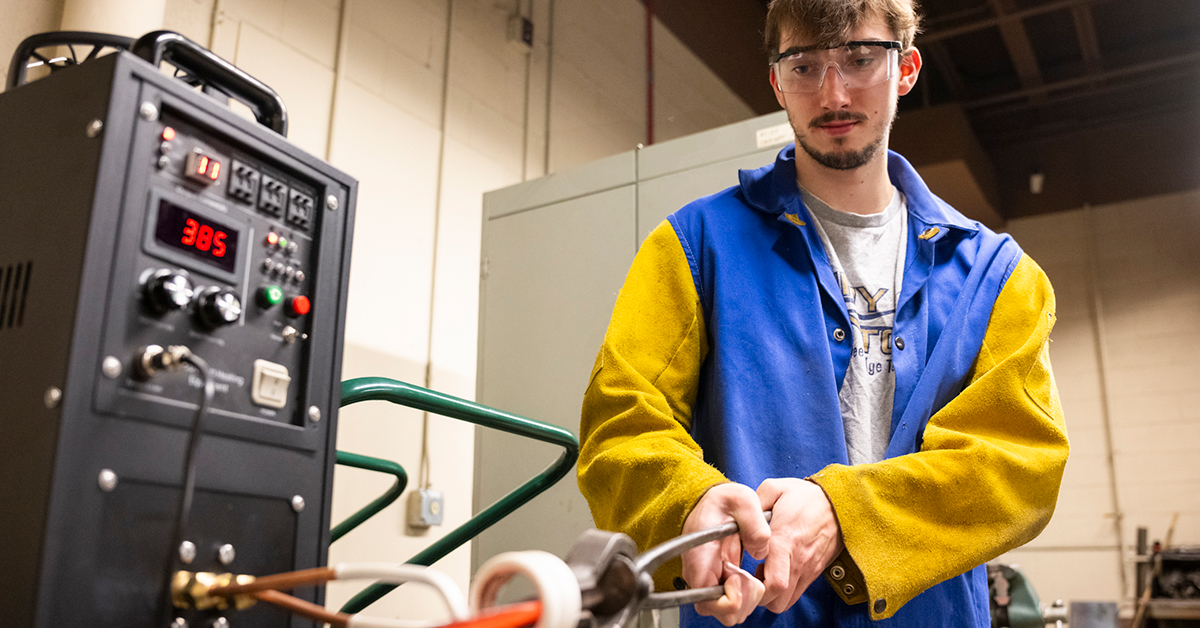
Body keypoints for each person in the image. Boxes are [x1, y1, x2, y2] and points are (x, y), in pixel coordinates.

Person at [576, 0, 1070, 626]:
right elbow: (622, 421)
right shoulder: (695, 246)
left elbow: (1020, 461)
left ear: (907, 68)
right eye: (804, 66)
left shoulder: (998, 276)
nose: (833, 92)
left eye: (861, 59)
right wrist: (688, 503)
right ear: (776, 81)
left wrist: (847, 514)